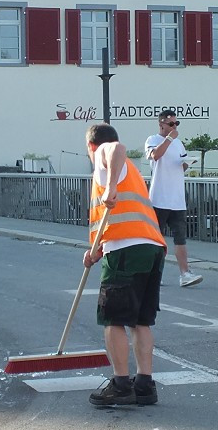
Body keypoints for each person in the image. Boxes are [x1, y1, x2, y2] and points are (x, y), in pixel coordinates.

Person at [85, 122, 168, 407]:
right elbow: (113, 219)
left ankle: (121, 384)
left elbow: (114, 147)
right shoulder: (130, 171)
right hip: (151, 246)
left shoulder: (103, 155)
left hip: (126, 249)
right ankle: (144, 384)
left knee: (114, 319)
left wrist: (109, 187)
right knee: (141, 320)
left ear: (90, 147)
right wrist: (94, 251)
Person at [145, 109, 202, 287]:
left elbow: (181, 166)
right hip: (159, 197)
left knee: (180, 237)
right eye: (171, 124)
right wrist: (169, 139)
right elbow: (155, 156)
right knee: (157, 240)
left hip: (177, 199)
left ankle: (185, 273)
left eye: (176, 124)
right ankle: (154, 274)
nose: (174, 127)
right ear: (161, 124)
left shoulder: (179, 144)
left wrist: (187, 163)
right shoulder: (153, 140)